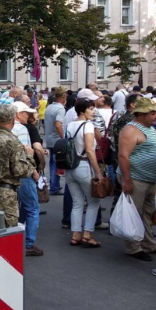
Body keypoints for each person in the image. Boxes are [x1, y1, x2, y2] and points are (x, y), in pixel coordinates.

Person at [117, 98, 156, 261]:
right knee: (134, 213)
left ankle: (148, 243)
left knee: (147, 212)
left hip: (149, 179)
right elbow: (123, 156)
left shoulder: (150, 128)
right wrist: (127, 180)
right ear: (141, 114)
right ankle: (133, 247)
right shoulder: (130, 130)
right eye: (152, 113)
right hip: (135, 178)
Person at [65, 99, 104, 248]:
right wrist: (98, 172)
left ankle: (76, 234)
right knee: (93, 202)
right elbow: (89, 150)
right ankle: (87, 234)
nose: (93, 111)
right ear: (82, 111)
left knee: (77, 202)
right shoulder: (87, 125)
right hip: (83, 165)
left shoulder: (70, 125)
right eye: (91, 109)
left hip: (71, 166)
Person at [11, 102, 45, 256]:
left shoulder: (6, 129)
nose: (29, 116)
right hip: (23, 173)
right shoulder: (22, 129)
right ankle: (28, 244)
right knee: (32, 207)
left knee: (22, 207)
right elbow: (26, 154)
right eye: (26, 113)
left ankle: (17, 236)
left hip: (9, 173)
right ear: (18, 114)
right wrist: (34, 170)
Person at [44, 87, 66, 195]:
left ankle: (53, 184)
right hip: (57, 140)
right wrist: (64, 138)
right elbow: (58, 125)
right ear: (63, 97)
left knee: (53, 163)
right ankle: (54, 186)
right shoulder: (60, 109)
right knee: (57, 163)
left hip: (49, 138)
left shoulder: (49, 107)